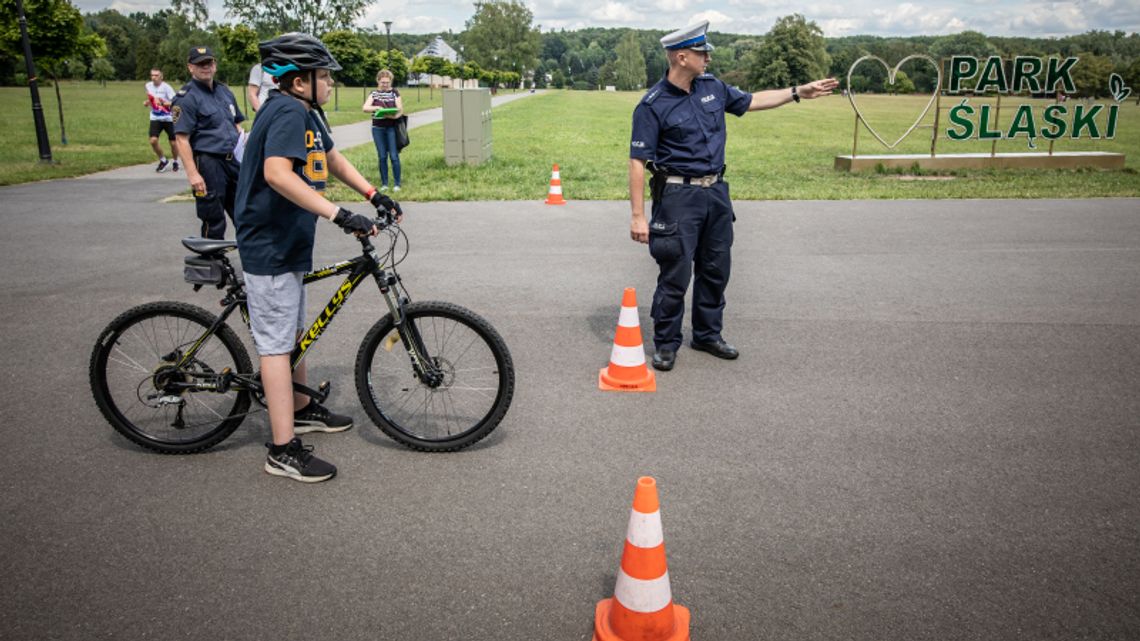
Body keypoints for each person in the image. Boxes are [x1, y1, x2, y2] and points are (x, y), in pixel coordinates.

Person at [235, 33, 403, 483]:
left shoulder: (305, 111)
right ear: (297, 80)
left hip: (287, 241)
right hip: (268, 245)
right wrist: (339, 214)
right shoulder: (287, 110)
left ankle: (302, 406)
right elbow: (276, 174)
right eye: (324, 76)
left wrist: (373, 192)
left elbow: (329, 158)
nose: (330, 83)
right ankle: (282, 450)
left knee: (293, 330)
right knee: (275, 344)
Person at [628, 21, 838, 372]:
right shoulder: (652, 104)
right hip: (678, 195)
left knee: (715, 269)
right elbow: (637, 162)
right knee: (676, 274)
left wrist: (799, 91)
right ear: (682, 57)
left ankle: (708, 334)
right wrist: (637, 216)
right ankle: (666, 343)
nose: (707, 57)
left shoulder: (713, 87)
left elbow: (754, 100)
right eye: (701, 52)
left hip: (716, 193)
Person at [171, 46, 245, 240]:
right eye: (200, 64)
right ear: (190, 67)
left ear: (215, 65)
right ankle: (213, 265)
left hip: (233, 161)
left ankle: (254, 265)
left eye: (209, 62)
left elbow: (236, 123)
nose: (206, 67)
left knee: (245, 214)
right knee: (214, 219)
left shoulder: (224, 92)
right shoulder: (186, 98)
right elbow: (181, 139)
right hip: (209, 163)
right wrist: (193, 174)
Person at [362, 69, 403, 192]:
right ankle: (384, 183)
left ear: (391, 81)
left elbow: (400, 109)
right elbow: (365, 108)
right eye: (383, 82)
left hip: (391, 128)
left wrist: (391, 116)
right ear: (378, 81)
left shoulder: (394, 92)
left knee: (394, 156)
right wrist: (376, 107)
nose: (385, 84)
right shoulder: (374, 93)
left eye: (387, 82)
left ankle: (397, 184)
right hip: (377, 129)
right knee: (382, 156)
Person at [144, 68, 179, 173]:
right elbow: (152, 100)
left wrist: (163, 104)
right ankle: (163, 160)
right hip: (156, 117)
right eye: (152, 75)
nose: (153, 77)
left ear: (161, 76)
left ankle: (176, 161)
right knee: (153, 141)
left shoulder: (167, 88)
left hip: (169, 118)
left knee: (173, 143)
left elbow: (175, 102)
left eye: (156, 75)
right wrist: (148, 103)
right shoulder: (148, 85)